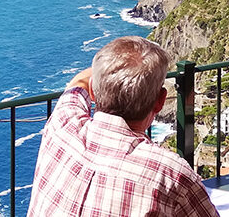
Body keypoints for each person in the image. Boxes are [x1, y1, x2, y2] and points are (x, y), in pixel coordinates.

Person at [27, 36, 218, 216]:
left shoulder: (63, 124)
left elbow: (78, 83)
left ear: (93, 92)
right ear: (160, 101)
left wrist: (113, 68)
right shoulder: (170, 174)